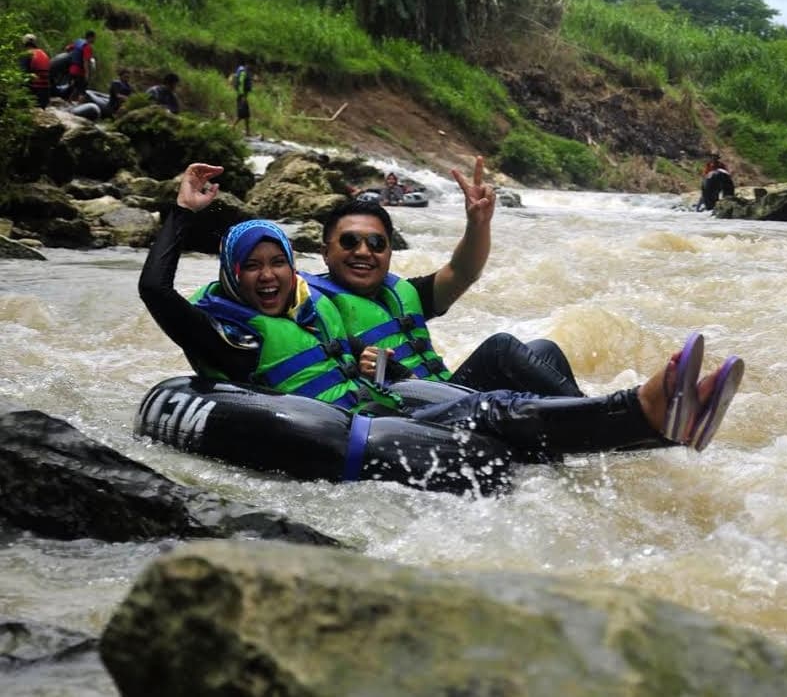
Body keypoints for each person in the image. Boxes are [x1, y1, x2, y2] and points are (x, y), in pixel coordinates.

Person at [138, 163, 744, 494]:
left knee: (523, 365)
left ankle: (646, 422)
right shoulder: (235, 333)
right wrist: (183, 214)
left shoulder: (311, 307)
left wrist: (478, 224)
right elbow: (156, 294)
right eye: (253, 266)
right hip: (361, 427)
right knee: (495, 400)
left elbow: (457, 275)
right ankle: (638, 414)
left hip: (388, 407)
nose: (268, 276)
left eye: (277, 264)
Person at [304, 157, 586, 397]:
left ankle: (587, 427)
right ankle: (605, 417)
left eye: (377, 243)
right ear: (326, 252)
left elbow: (463, 272)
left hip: (448, 396)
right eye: (350, 241)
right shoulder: (309, 307)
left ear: (389, 252)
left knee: (545, 350)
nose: (363, 252)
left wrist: (478, 225)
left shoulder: (404, 294)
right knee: (500, 348)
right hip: (413, 416)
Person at [18, 34, 50, 109]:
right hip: (45, 94)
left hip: (33, 93)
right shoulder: (44, 53)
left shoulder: (26, 54)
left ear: (24, 43)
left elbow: (22, 75)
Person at [65, 30, 95, 103]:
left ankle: (68, 102)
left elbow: (67, 48)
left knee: (75, 87)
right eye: (94, 38)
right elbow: (85, 61)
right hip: (80, 72)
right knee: (82, 91)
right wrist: (87, 74)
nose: (95, 40)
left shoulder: (78, 41)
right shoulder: (87, 47)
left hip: (72, 70)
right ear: (90, 38)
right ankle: (79, 106)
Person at [230, 60, 252, 136]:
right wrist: (242, 95)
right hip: (242, 96)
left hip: (244, 96)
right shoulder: (243, 72)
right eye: (250, 65)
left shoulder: (245, 72)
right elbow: (241, 84)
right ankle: (232, 127)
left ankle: (247, 132)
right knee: (241, 114)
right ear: (247, 64)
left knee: (247, 115)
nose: (251, 67)